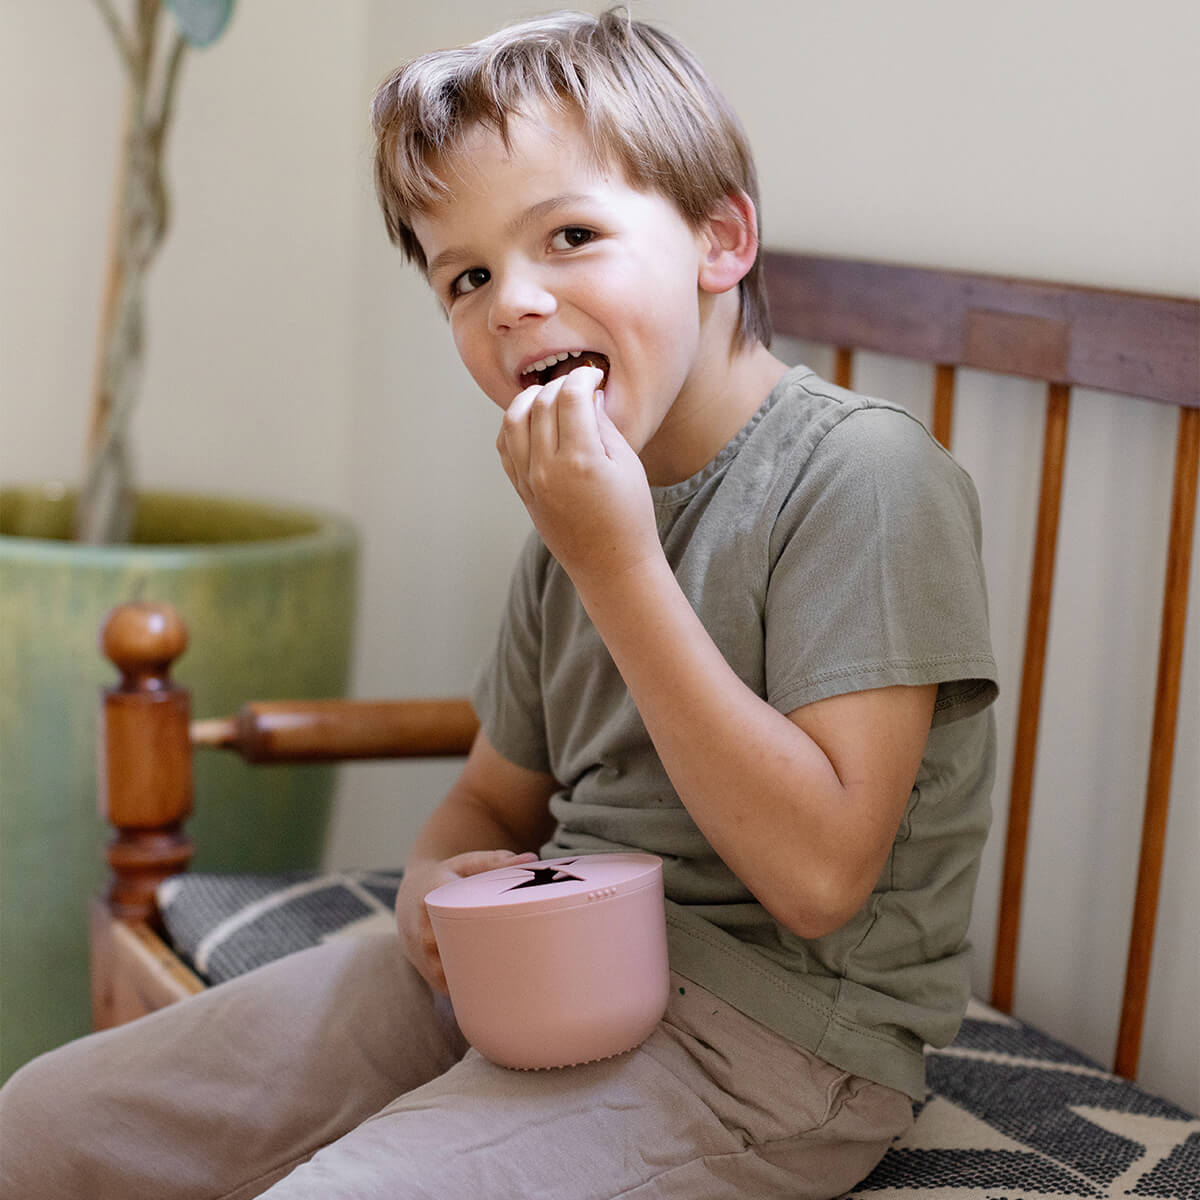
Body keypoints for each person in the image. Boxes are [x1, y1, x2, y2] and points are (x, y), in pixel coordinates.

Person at [0, 9, 997, 1198]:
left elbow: (821, 881)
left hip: (772, 1046)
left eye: (569, 235)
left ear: (721, 239)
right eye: (465, 276)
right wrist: (435, 876)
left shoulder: (862, 481)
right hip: (546, 962)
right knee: (46, 1122)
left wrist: (616, 564)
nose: (513, 302)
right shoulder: (577, 511)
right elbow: (492, 795)